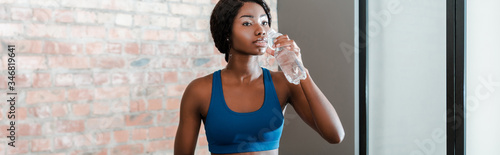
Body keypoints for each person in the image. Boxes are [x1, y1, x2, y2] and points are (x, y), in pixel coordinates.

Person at [174, 0, 345, 154]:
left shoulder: (283, 84)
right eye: (247, 23)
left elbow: (335, 135)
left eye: (264, 23)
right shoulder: (199, 91)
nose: (261, 30)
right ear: (227, 33)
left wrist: (299, 69)